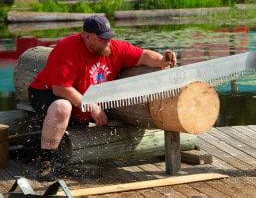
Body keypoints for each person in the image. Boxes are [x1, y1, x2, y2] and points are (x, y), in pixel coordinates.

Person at [28, 15, 177, 181]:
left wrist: (162, 61)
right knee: (62, 107)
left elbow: (143, 56)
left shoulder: (115, 48)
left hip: (81, 101)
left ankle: (57, 153)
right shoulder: (67, 48)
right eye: (102, 39)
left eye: (109, 37)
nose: (108, 42)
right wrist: (91, 106)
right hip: (47, 92)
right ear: (86, 36)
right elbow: (61, 88)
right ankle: (46, 162)